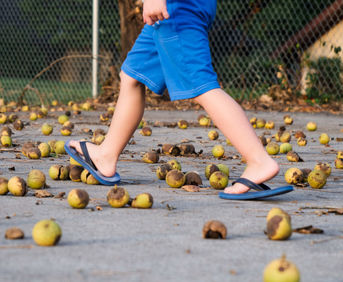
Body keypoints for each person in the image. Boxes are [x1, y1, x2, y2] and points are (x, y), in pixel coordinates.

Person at [67, 0, 279, 195]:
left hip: (175, 8)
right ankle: (106, 155)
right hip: (174, 8)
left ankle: (258, 160)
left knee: (201, 85)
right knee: (132, 74)